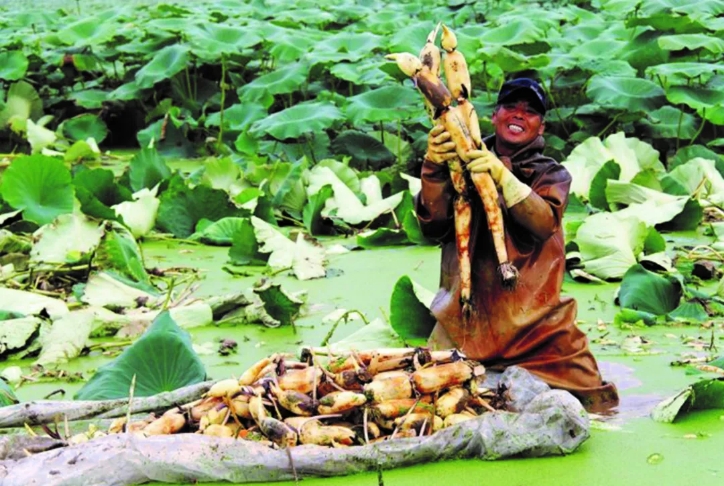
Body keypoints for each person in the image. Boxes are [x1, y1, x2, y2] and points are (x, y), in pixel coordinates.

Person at [414, 77, 619, 413]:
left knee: (598, 404)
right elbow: (432, 225)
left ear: (542, 126)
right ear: (494, 115)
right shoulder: (457, 161)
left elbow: (542, 223)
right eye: (511, 106)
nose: (519, 114)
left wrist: (502, 176)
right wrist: (434, 165)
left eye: (531, 111)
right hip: (465, 322)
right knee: (427, 400)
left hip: (537, 328)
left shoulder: (552, 175)